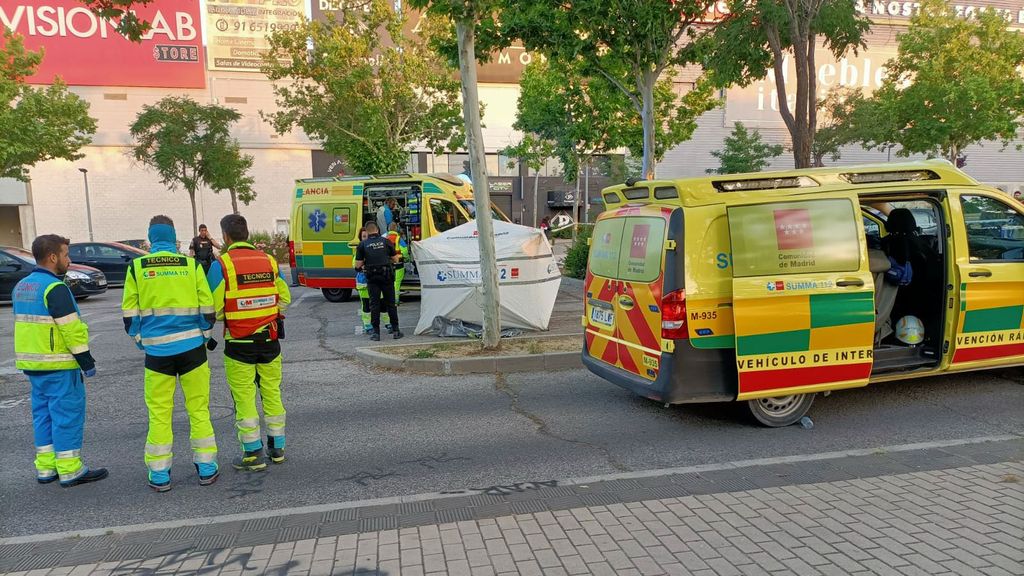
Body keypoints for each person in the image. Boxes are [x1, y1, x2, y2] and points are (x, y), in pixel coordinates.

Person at [122, 215, 219, 492]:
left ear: (151, 238)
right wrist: (203, 335)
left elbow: (130, 314)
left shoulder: (137, 267)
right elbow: (208, 309)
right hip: (192, 350)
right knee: (199, 410)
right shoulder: (190, 266)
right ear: (174, 236)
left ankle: (160, 474)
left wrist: (142, 341)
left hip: (157, 354)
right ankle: (206, 468)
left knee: (160, 414)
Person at [13, 235, 108, 488]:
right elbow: (71, 329)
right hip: (59, 365)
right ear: (53, 257)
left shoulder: (22, 286)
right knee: (66, 416)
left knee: (43, 416)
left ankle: (46, 468)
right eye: (66, 254)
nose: (69, 259)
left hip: (33, 365)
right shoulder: (55, 288)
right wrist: (86, 361)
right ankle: (70, 469)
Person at [207, 214, 292, 471]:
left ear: (225, 237)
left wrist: (234, 315)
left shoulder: (221, 265)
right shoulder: (268, 261)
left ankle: (253, 453)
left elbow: (213, 308)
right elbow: (284, 298)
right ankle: (277, 448)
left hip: (238, 343)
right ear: (248, 234)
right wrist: (266, 313)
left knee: (244, 398)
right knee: (272, 393)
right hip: (269, 339)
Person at [354, 221, 402, 341]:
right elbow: (396, 259)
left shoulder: (362, 245)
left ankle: (376, 333)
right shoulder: (386, 242)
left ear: (367, 231)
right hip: (387, 277)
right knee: (390, 304)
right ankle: (396, 331)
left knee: (374, 305)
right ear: (377, 230)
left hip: (372, 279)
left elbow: (357, 265)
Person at [385, 223, 409, 307]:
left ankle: (388, 299)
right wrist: (406, 258)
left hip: (387, 263)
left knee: (388, 282)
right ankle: (395, 300)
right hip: (398, 263)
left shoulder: (384, 238)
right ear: (396, 229)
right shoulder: (399, 239)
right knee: (397, 282)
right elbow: (405, 251)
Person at [355, 227, 372, 334]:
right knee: (366, 305)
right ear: (360, 238)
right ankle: (367, 325)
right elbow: (356, 265)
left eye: (367, 236)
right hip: (363, 282)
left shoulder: (372, 247)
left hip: (373, 281)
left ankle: (386, 323)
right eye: (364, 237)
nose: (366, 239)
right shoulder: (360, 249)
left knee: (379, 304)